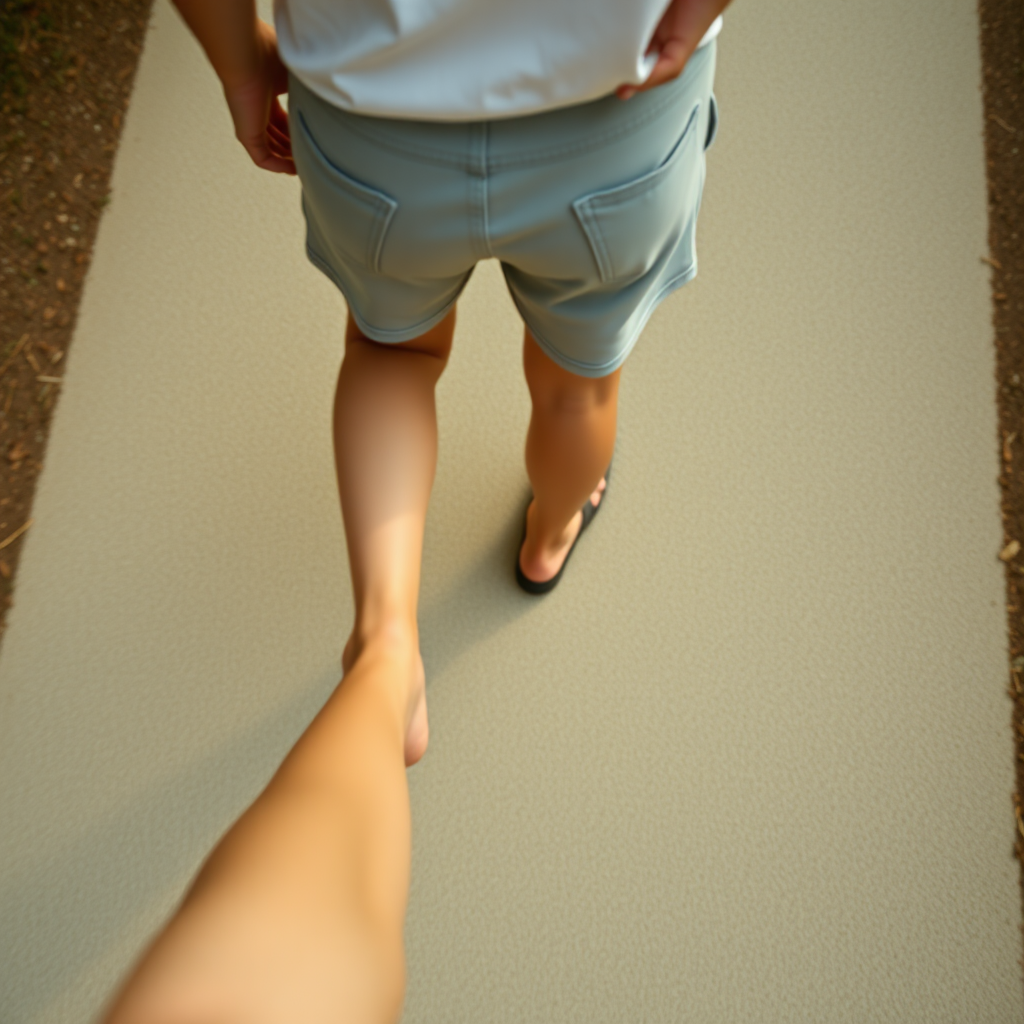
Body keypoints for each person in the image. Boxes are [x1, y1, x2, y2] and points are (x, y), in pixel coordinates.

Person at [100, 0, 729, 1020]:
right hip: (612, 120)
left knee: (389, 353)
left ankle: (386, 635)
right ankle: (549, 530)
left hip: (372, 127)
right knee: (579, 386)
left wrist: (239, 61)